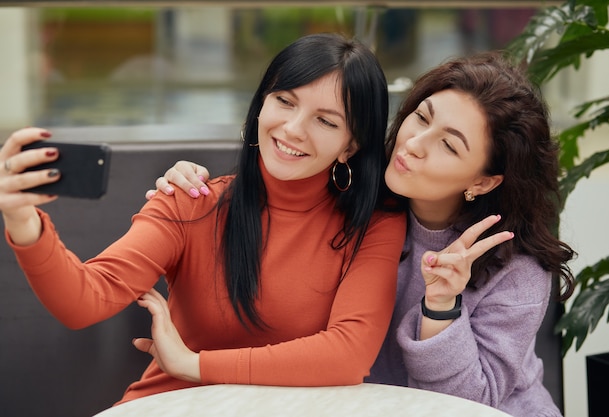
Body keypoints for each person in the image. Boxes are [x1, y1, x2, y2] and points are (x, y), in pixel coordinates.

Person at [150, 51, 576, 417]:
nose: (414, 144)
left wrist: (442, 310)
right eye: (421, 118)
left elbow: (468, 405)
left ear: (483, 182)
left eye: (449, 145)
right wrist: (194, 191)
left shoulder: (517, 269)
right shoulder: (353, 205)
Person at [0, 33, 412, 405]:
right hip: (171, 406)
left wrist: (193, 364)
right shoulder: (191, 201)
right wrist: (22, 220)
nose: (293, 129)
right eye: (284, 101)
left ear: (350, 145)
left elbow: (347, 355)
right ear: (261, 104)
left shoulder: (375, 223)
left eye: (325, 121)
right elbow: (83, 301)